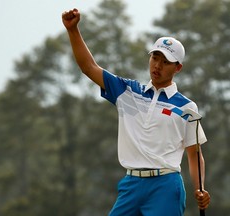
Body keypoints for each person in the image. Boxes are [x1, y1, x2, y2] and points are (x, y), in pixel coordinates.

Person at [62, 8, 210, 216]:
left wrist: (199, 189)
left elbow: (194, 154)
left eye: (165, 61)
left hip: (166, 186)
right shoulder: (128, 91)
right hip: (131, 184)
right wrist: (73, 30)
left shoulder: (187, 108)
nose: (157, 65)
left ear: (177, 68)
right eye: (154, 58)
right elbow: (89, 67)